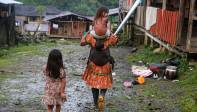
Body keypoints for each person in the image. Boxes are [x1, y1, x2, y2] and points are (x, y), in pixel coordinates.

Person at [80, 6, 118, 111]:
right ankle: (102, 95)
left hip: (93, 61)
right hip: (105, 61)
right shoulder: (109, 37)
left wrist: (87, 36)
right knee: (104, 81)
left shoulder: (91, 36)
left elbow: (81, 42)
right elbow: (115, 42)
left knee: (94, 83)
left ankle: (96, 104)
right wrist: (112, 37)